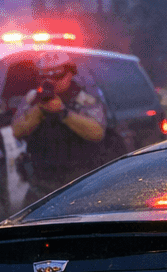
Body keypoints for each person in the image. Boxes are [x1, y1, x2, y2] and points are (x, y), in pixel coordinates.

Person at [10, 48, 108, 203]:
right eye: (45, 75)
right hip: (41, 181)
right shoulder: (33, 98)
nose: (51, 80)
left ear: (70, 73)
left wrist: (63, 113)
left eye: (57, 74)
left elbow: (97, 132)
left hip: (79, 181)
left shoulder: (84, 98)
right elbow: (17, 131)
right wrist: (40, 109)